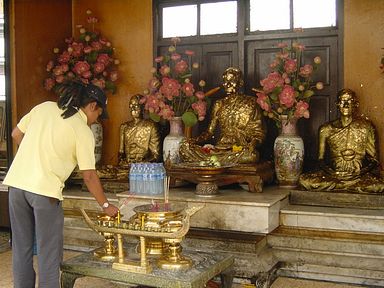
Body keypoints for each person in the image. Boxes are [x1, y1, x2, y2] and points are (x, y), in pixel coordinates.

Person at [3, 82, 119, 288]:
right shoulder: (82, 131)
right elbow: (90, 176)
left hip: (16, 186)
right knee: (49, 254)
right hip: (44, 192)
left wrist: (35, 154)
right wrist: (105, 206)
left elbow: (16, 134)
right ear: (92, 106)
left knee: (21, 249)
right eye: (99, 114)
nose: (96, 120)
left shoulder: (44, 107)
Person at [299, 88, 384, 193]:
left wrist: (358, 173)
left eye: (350, 101)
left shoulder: (366, 127)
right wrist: (333, 173)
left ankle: (344, 185)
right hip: (335, 176)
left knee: (378, 186)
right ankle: (347, 186)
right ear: (337, 104)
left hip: (359, 176)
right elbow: (320, 160)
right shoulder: (326, 129)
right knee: (305, 181)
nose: (346, 105)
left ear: (356, 104)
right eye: (342, 101)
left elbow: (374, 160)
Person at [179, 67, 266, 164]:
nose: (227, 84)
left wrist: (253, 144)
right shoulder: (219, 104)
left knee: (251, 156)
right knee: (184, 148)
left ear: (240, 83)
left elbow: (258, 133)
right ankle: (213, 161)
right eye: (225, 81)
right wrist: (193, 140)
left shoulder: (251, 102)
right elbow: (209, 132)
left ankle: (212, 162)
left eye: (231, 81)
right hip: (219, 149)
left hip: (239, 150)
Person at [118, 94, 160, 166]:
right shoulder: (124, 127)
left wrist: (141, 164)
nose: (133, 109)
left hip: (144, 167)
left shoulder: (150, 126)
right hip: (127, 166)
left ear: (143, 107)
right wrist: (123, 161)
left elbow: (156, 155)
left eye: (136, 105)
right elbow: (121, 153)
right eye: (131, 106)